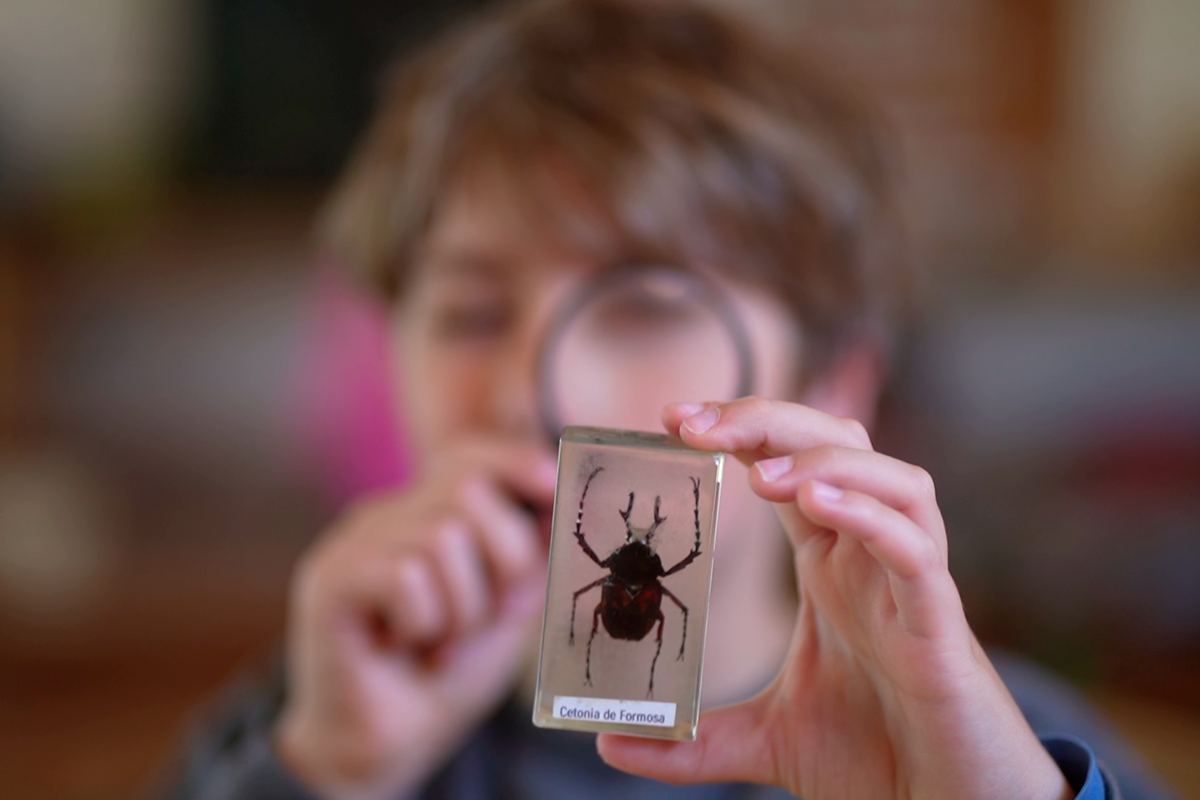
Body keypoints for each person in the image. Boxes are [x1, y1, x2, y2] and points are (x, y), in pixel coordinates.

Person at [160, 1, 1174, 798]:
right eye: (473, 314)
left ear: (832, 380)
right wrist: (327, 775)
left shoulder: (992, 744)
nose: (536, 391)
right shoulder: (306, 727)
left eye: (645, 309)